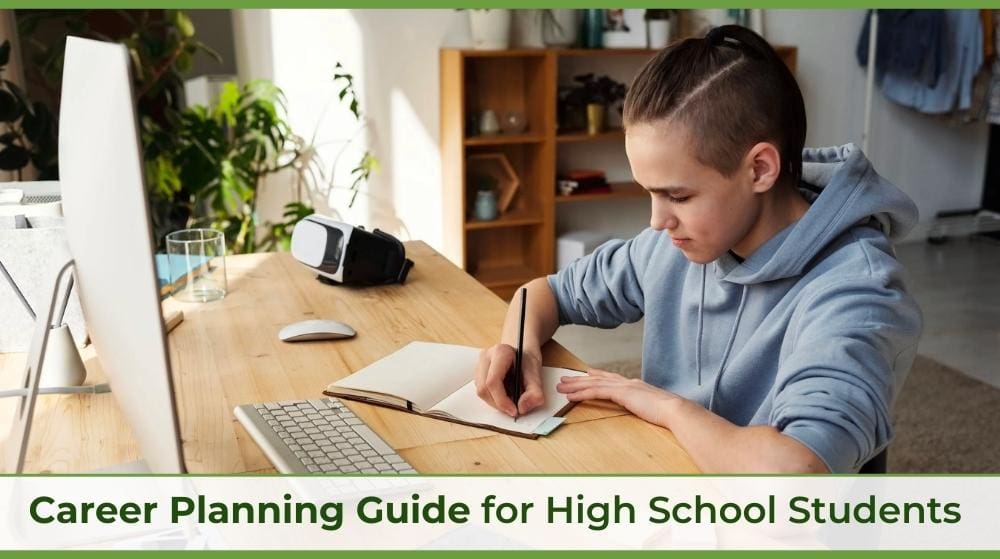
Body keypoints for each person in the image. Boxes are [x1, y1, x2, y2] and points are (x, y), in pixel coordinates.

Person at [473, 25, 922, 474]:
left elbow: (795, 481)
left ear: (761, 169)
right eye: (651, 193)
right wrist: (521, 349)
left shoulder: (858, 291)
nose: (656, 221)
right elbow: (543, 293)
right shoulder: (674, 244)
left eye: (679, 196)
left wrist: (666, 407)